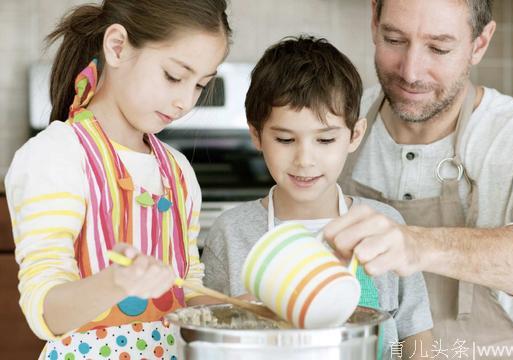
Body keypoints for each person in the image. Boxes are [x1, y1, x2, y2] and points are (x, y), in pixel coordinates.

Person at [322, 0, 513, 356]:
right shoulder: (335, 124)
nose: (411, 71)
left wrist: (419, 245)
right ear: (374, 21)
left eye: (439, 48)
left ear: (480, 43)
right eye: (394, 39)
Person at [4, 1, 230, 358]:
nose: (185, 102)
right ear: (117, 46)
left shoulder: (178, 170)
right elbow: (45, 311)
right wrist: (116, 282)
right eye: (174, 76)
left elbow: (186, 289)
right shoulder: (56, 155)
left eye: (200, 85)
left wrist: (237, 311)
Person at [201, 36, 433, 359]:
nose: (304, 160)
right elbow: (211, 338)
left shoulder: (383, 227)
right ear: (256, 135)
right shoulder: (231, 232)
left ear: (354, 135)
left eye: (324, 140)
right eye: (284, 139)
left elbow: (416, 337)